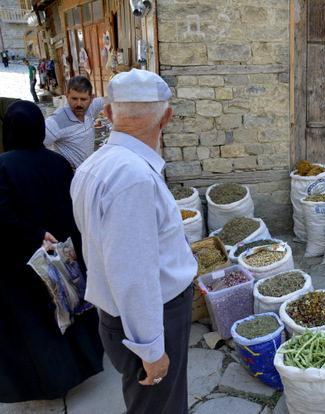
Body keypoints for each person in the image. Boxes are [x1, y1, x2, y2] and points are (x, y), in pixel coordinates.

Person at [71, 69, 197, 414]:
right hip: (151, 317)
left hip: (119, 314)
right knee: (160, 405)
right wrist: (152, 351)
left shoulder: (92, 166)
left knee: (152, 403)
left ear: (109, 114)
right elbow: (134, 275)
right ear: (166, 118)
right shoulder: (135, 178)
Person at [0, 100, 104, 403]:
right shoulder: (57, 162)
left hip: (24, 263)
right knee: (68, 306)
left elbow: (3, 216)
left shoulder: (4, 166)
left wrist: (34, 235)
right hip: (64, 253)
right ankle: (86, 362)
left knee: (36, 321)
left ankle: (52, 381)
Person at [44, 76, 104, 168]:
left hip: (88, 172)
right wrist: (56, 163)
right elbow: (28, 147)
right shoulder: (56, 121)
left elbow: (109, 100)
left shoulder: (91, 108)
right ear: (67, 96)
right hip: (70, 178)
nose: (79, 104)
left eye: (83, 99)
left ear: (91, 98)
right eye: (74, 99)